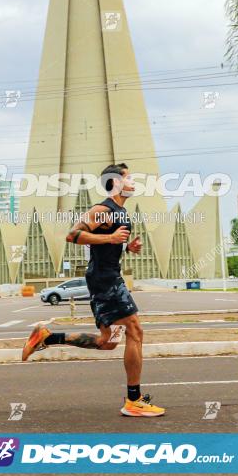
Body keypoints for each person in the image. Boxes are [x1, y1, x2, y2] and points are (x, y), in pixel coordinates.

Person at [21, 163, 164, 417]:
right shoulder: (104, 209)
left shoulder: (119, 211)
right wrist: (109, 239)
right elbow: (73, 235)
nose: (133, 182)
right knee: (135, 329)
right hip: (105, 279)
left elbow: (104, 245)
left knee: (107, 342)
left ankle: (47, 336)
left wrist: (125, 248)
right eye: (128, 178)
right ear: (116, 183)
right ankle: (134, 400)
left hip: (106, 276)